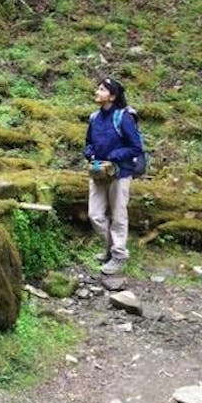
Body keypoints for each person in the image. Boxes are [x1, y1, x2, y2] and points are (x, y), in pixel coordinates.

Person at [84, 76, 144, 275]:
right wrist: (90, 153)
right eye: (98, 88)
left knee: (118, 215)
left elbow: (136, 147)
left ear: (112, 96)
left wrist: (114, 157)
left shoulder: (123, 117)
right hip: (98, 172)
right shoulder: (94, 118)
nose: (97, 92)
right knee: (95, 215)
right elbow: (89, 142)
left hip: (120, 173)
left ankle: (118, 255)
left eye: (102, 89)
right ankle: (110, 248)